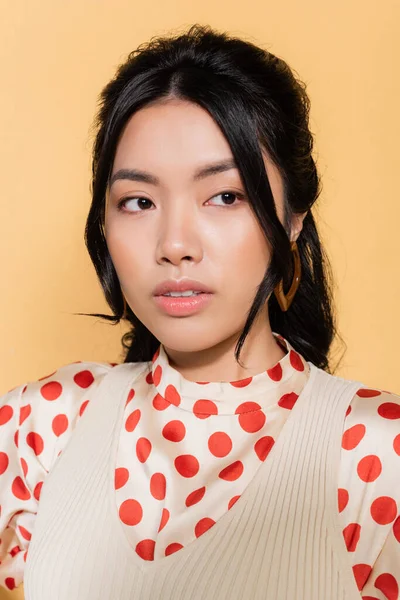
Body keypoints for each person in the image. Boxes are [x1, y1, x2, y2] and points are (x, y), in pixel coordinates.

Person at [0, 23, 399, 600]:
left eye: (224, 196)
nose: (175, 243)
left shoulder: (374, 452)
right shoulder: (48, 426)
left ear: (292, 217)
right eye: (138, 201)